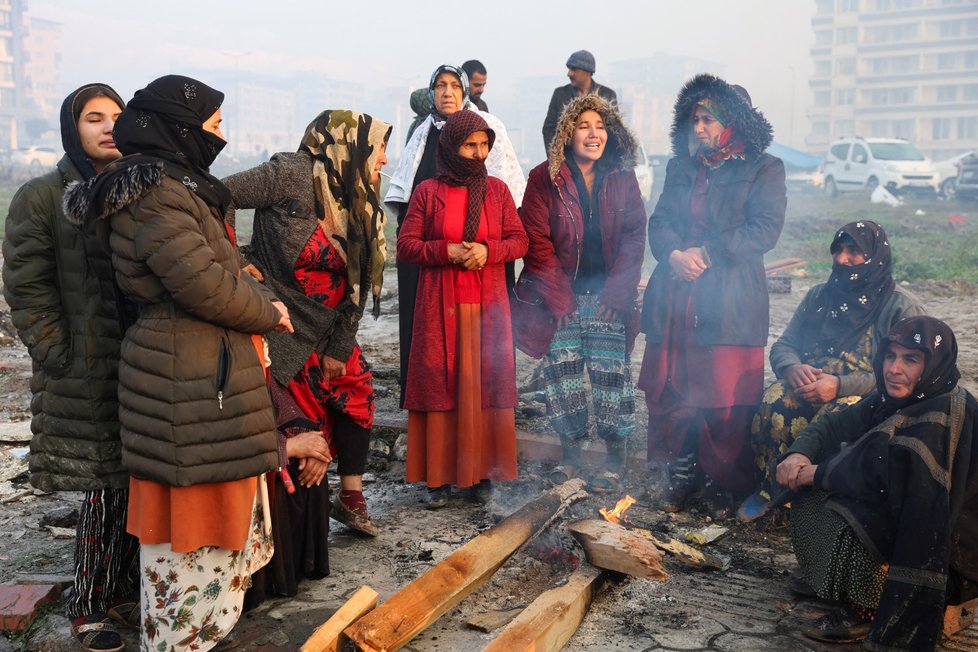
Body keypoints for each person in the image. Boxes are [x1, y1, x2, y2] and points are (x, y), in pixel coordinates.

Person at [63, 75, 292, 651]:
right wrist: (267, 311)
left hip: (200, 368)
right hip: (185, 373)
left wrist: (248, 290)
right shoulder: (153, 192)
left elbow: (214, 273)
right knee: (189, 535)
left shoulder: (176, 185)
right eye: (213, 126)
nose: (220, 136)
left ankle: (196, 637)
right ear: (180, 128)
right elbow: (201, 286)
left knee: (215, 530)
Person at [3, 83, 138, 652]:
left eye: (116, 117)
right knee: (102, 489)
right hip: (83, 368)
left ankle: (128, 591)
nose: (107, 127)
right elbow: (27, 289)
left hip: (146, 366)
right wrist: (57, 351)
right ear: (71, 128)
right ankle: (89, 605)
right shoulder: (41, 195)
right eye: (93, 118)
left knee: (140, 486)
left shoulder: (136, 188)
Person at [223, 109, 393, 544]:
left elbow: (359, 280)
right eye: (379, 148)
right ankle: (296, 527)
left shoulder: (361, 195)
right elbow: (214, 198)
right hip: (283, 320)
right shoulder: (289, 174)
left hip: (332, 322)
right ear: (347, 146)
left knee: (356, 389)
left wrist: (341, 345)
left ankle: (351, 495)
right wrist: (238, 262)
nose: (384, 160)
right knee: (300, 418)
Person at [776, 316, 978, 650]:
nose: (894, 369)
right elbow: (833, 427)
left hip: (949, 554)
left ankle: (868, 607)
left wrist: (820, 472)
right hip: (910, 515)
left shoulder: (942, 417)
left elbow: (894, 484)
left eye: (910, 359)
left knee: (848, 516)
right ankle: (836, 581)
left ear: (935, 364)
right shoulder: (895, 396)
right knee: (814, 494)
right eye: (889, 356)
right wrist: (799, 454)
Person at [638, 74, 786, 520]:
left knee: (723, 396)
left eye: (706, 119)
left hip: (730, 295)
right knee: (672, 388)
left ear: (731, 122)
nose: (697, 128)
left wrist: (707, 253)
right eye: (692, 119)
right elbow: (660, 221)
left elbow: (764, 228)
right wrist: (674, 254)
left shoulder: (764, 167)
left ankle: (721, 479)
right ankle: (677, 471)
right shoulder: (680, 166)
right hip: (676, 292)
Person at [737, 220, 925, 522]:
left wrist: (840, 385)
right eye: (837, 250)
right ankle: (772, 492)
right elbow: (785, 344)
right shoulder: (818, 296)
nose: (842, 259)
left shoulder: (900, 308)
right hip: (809, 383)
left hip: (862, 392)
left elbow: (905, 377)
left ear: (875, 256)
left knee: (839, 416)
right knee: (774, 401)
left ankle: (819, 506)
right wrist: (792, 367)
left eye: (854, 251)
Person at [513, 95, 645, 492]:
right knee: (562, 378)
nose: (594, 133)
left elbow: (635, 237)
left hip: (607, 300)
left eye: (601, 126)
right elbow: (535, 239)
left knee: (611, 377)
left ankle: (614, 459)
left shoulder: (622, 177)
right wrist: (559, 298)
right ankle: (570, 457)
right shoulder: (544, 178)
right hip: (561, 300)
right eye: (584, 125)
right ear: (567, 134)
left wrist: (618, 295)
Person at [397, 110, 528, 508]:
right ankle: (437, 478)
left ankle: (480, 474)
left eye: (484, 145)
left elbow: (519, 241)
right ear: (451, 147)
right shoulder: (427, 192)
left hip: (486, 310)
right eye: (470, 145)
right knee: (442, 386)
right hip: (441, 309)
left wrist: (489, 251)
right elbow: (406, 245)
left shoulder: (499, 192)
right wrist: (446, 250)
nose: (478, 153)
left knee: (481, 386)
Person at [386, 64, 525, 409]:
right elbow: (408, 203)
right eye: (440, 85)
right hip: (432, 260)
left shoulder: (488, 130)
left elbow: (508, 207)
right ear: (431, 92)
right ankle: (423, 398)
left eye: (454, 86)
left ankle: (484, 413)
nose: (447, 92)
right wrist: (436, 246)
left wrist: (486, 248)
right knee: (430, 339)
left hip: (483, 260)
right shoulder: (421, 133)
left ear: (465, 92)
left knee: (483, 349)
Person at [542, 50, 618, 151]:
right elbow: (548, 129)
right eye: (569, 69)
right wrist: (556, 159)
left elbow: (615, 132)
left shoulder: (607, 95)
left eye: (574, 69)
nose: (569, 74)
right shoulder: (560, 94)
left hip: (597, 160)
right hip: (566, 161)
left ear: (588, 72)